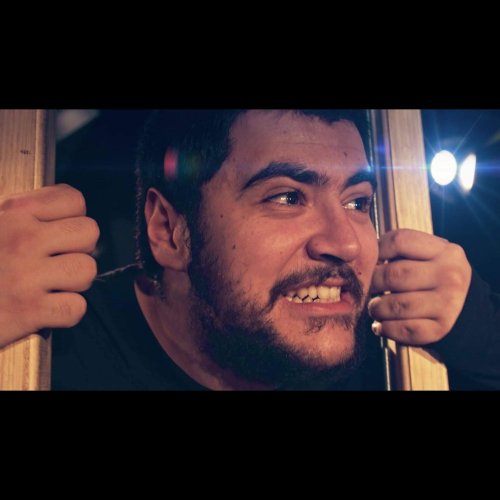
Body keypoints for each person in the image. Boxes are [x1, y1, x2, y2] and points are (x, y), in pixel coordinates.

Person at [0, 109, 498, 390]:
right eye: (287, 197)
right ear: (169, 230)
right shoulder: (45, 352)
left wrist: (478, 331)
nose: (345, 242)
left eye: (357, 202)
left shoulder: (385, 352)